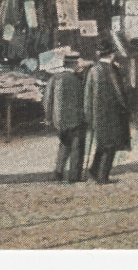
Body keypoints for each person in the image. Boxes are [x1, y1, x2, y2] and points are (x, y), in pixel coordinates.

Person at [84, 49, 132, 183]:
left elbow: (88, 95)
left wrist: (89, 115)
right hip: (113, 114)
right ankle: (102, 177)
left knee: (102, 144)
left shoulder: (93, 70)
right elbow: (120, 93)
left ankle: (94, 170)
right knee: (110, 146)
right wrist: (126, 109)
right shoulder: (112, 70)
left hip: (97, 115)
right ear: (112, 55)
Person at [42, 52, 86, 183]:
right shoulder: (79, 79)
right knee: (77, 147)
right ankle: (74, 175)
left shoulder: (54, 79)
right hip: (77, 118)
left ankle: (58, 172)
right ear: (75, 64)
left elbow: (47, 100)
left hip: (59, 119)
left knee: (64, 144)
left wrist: (49, 117)